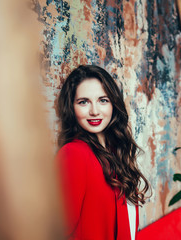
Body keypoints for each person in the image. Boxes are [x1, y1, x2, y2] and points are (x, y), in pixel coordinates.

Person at [56, 65, 150, 240]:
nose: (94, 111)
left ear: (113, 103)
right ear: (71, 107)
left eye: (103, 100)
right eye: (83, 102)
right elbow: (59, 230)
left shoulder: (115, 151)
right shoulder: (73, 154)